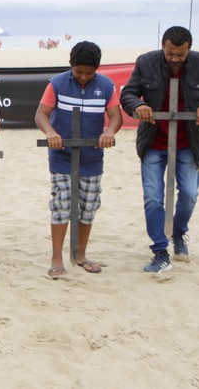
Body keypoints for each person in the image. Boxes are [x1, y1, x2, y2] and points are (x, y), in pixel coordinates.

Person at [120, 26, 199, 273]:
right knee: (153, 197)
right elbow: (128, 94)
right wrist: (139, 105)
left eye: (180, 54)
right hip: (153, 143)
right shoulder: (146, 62)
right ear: (163, 46)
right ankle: (160, 249)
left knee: (189, 193)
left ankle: (178, 233)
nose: (175, 59)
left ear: (189, 49)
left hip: (188, 143)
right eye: (171, 53)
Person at [35, 42, 123, 279]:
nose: (83, 77)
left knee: (88, 206)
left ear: (97, 69)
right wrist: (50, 133)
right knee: (62, 204)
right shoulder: (57, 83)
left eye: (89, 73)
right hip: (62, 156)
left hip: (92, 157)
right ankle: (56, 257)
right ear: (70, 65)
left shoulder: (105, 85)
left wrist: (110, 132)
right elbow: (41, 114)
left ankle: (80, 255)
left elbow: (115, 116)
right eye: (78, 72)